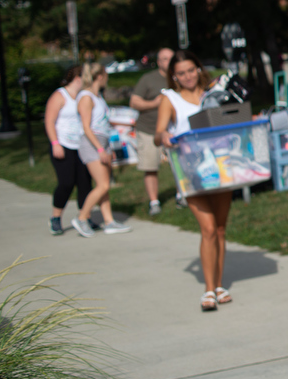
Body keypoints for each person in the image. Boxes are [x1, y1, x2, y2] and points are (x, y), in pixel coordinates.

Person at [156, 50, 234, 312]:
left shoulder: (214, 92)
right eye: (181, 73)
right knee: (208, 228)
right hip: (190, 173)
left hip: (221, 166)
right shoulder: (170, 98)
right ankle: (208, 290)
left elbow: (232, 118)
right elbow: (158, 132)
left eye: (191, 70)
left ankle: (220, 285)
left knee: (221, 229)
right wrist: (164, 136)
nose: (188, 76)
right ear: (174, 76)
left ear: (199, 69)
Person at [74, 63, 132, 235]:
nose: (107, 78)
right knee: (103, 185)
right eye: (106, 74)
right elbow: (86, 127)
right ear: (100, 76)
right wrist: (100, 149)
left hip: (102, 140)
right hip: (92, 143)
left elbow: (103, 122)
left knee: (104, 185)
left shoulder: (97, 96)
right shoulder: (85, 97)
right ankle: (82, 217)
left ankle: (109, 221)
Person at [44, 66, 93, 236]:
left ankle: (84, 217)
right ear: (77, 78)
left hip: (82, 145)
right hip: (63, 145)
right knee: (66, 183)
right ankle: (56, 218)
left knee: (85, 183)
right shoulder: (60, 95)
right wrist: (55, 143)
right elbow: (49, 121)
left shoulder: (83, 96)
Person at [129, 47, 174, 215]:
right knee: (151, 166)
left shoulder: (179, 78)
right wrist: (154, 104)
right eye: (165, 59)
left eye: (171, 58)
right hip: (149, 129)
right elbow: (134, 102)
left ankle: (182, 195)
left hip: (172, 130)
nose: (169, 62)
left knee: (179, 165)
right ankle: (154, 202)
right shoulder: (148, 79)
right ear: (159, 62)